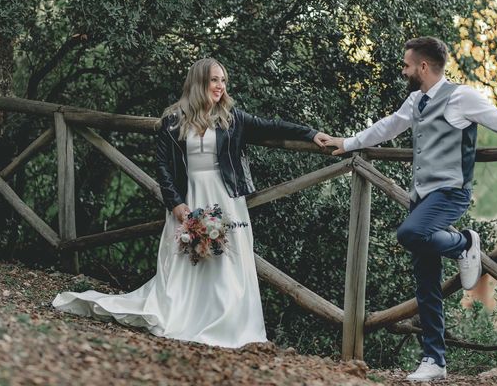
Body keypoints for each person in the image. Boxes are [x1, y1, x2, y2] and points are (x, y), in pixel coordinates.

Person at [321, 37, 497, 381]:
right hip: (421, 197)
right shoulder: (416, 100)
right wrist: (348, 143)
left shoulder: (462, 97)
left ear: (423, 67)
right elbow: (387, 127)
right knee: (425, 284)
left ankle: (464, 243)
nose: (403, 70)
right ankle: (434, 361)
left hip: (450, 193)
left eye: (406, 65)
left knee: (410, 233)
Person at [53, 57, 330, 348]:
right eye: (214, 80)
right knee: (187, 259)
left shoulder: (232, 117)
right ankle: (187, 315)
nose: (220, 86)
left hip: (226, 198)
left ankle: (230, 323)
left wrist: (311, 134)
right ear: (198, 82)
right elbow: (163, 167)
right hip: (189, 197)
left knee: (228, 260)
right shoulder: (173, 120)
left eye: (223, 80)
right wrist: (175, 204)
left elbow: (273, 126)